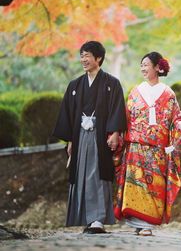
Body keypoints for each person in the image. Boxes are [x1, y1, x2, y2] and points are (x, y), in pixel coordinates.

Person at [53, 41, 127, 234]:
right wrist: (70, 140)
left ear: (98, 58)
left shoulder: (112, 83)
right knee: (82, 176)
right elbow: (68, 114)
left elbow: (117, 110)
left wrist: (116, 133)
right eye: (82, 55)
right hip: (79, 137)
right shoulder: (75, 85)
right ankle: (87, 218)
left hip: (101, 136)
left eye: (87, 55)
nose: (83, 60)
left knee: (97, 175)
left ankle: (98, 220)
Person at [114, 51, 181, 236]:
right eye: (141, 65)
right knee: (135, 184)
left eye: (146, 64)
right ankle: (140, 224)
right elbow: (126, 116)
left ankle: (146, 223)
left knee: (153, 185)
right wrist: (116, 133)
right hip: (136, 146)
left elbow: (176, 116)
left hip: (158, 148)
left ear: (157, 67)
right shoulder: (135, 91)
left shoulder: (168, 93)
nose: (143, 68)